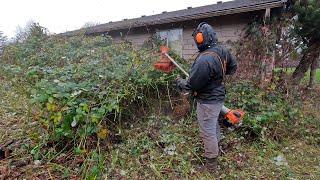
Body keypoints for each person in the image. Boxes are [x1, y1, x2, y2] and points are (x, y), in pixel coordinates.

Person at [176, 22, 237, 172]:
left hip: (207, 102)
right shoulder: (222, 51)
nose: (197, 41)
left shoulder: (204, 59)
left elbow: (192, 85)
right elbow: (233, 68)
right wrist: (216, 76)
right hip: (218, 97)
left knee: (208, 133)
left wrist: (179, 82)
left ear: (202, 38)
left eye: (198, 38)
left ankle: (211, 167)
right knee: (213, 126)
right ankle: (216, 151)